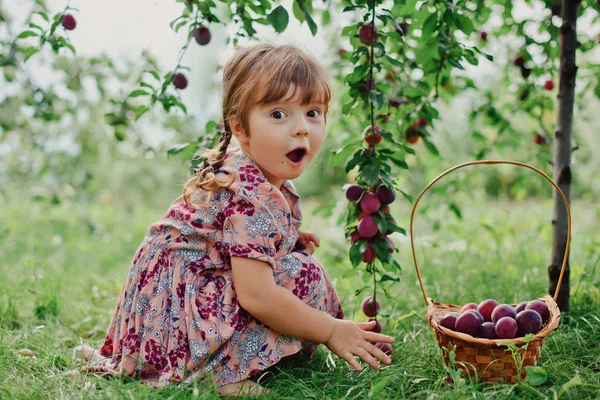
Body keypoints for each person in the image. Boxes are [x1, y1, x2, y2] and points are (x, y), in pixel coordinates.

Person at [74, 43, 394, 396]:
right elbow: (256, 296)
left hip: (159, 309)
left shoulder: (245, 172)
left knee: (296, 266)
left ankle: (161, 359)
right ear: (240, 127)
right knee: (305, 276)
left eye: (313, 112)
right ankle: (215, 373)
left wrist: (286, 238)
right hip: (182, 310)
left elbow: (226, 236)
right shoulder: (252, 193)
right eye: (278, 114)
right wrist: (331, 329)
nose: (302, 128)